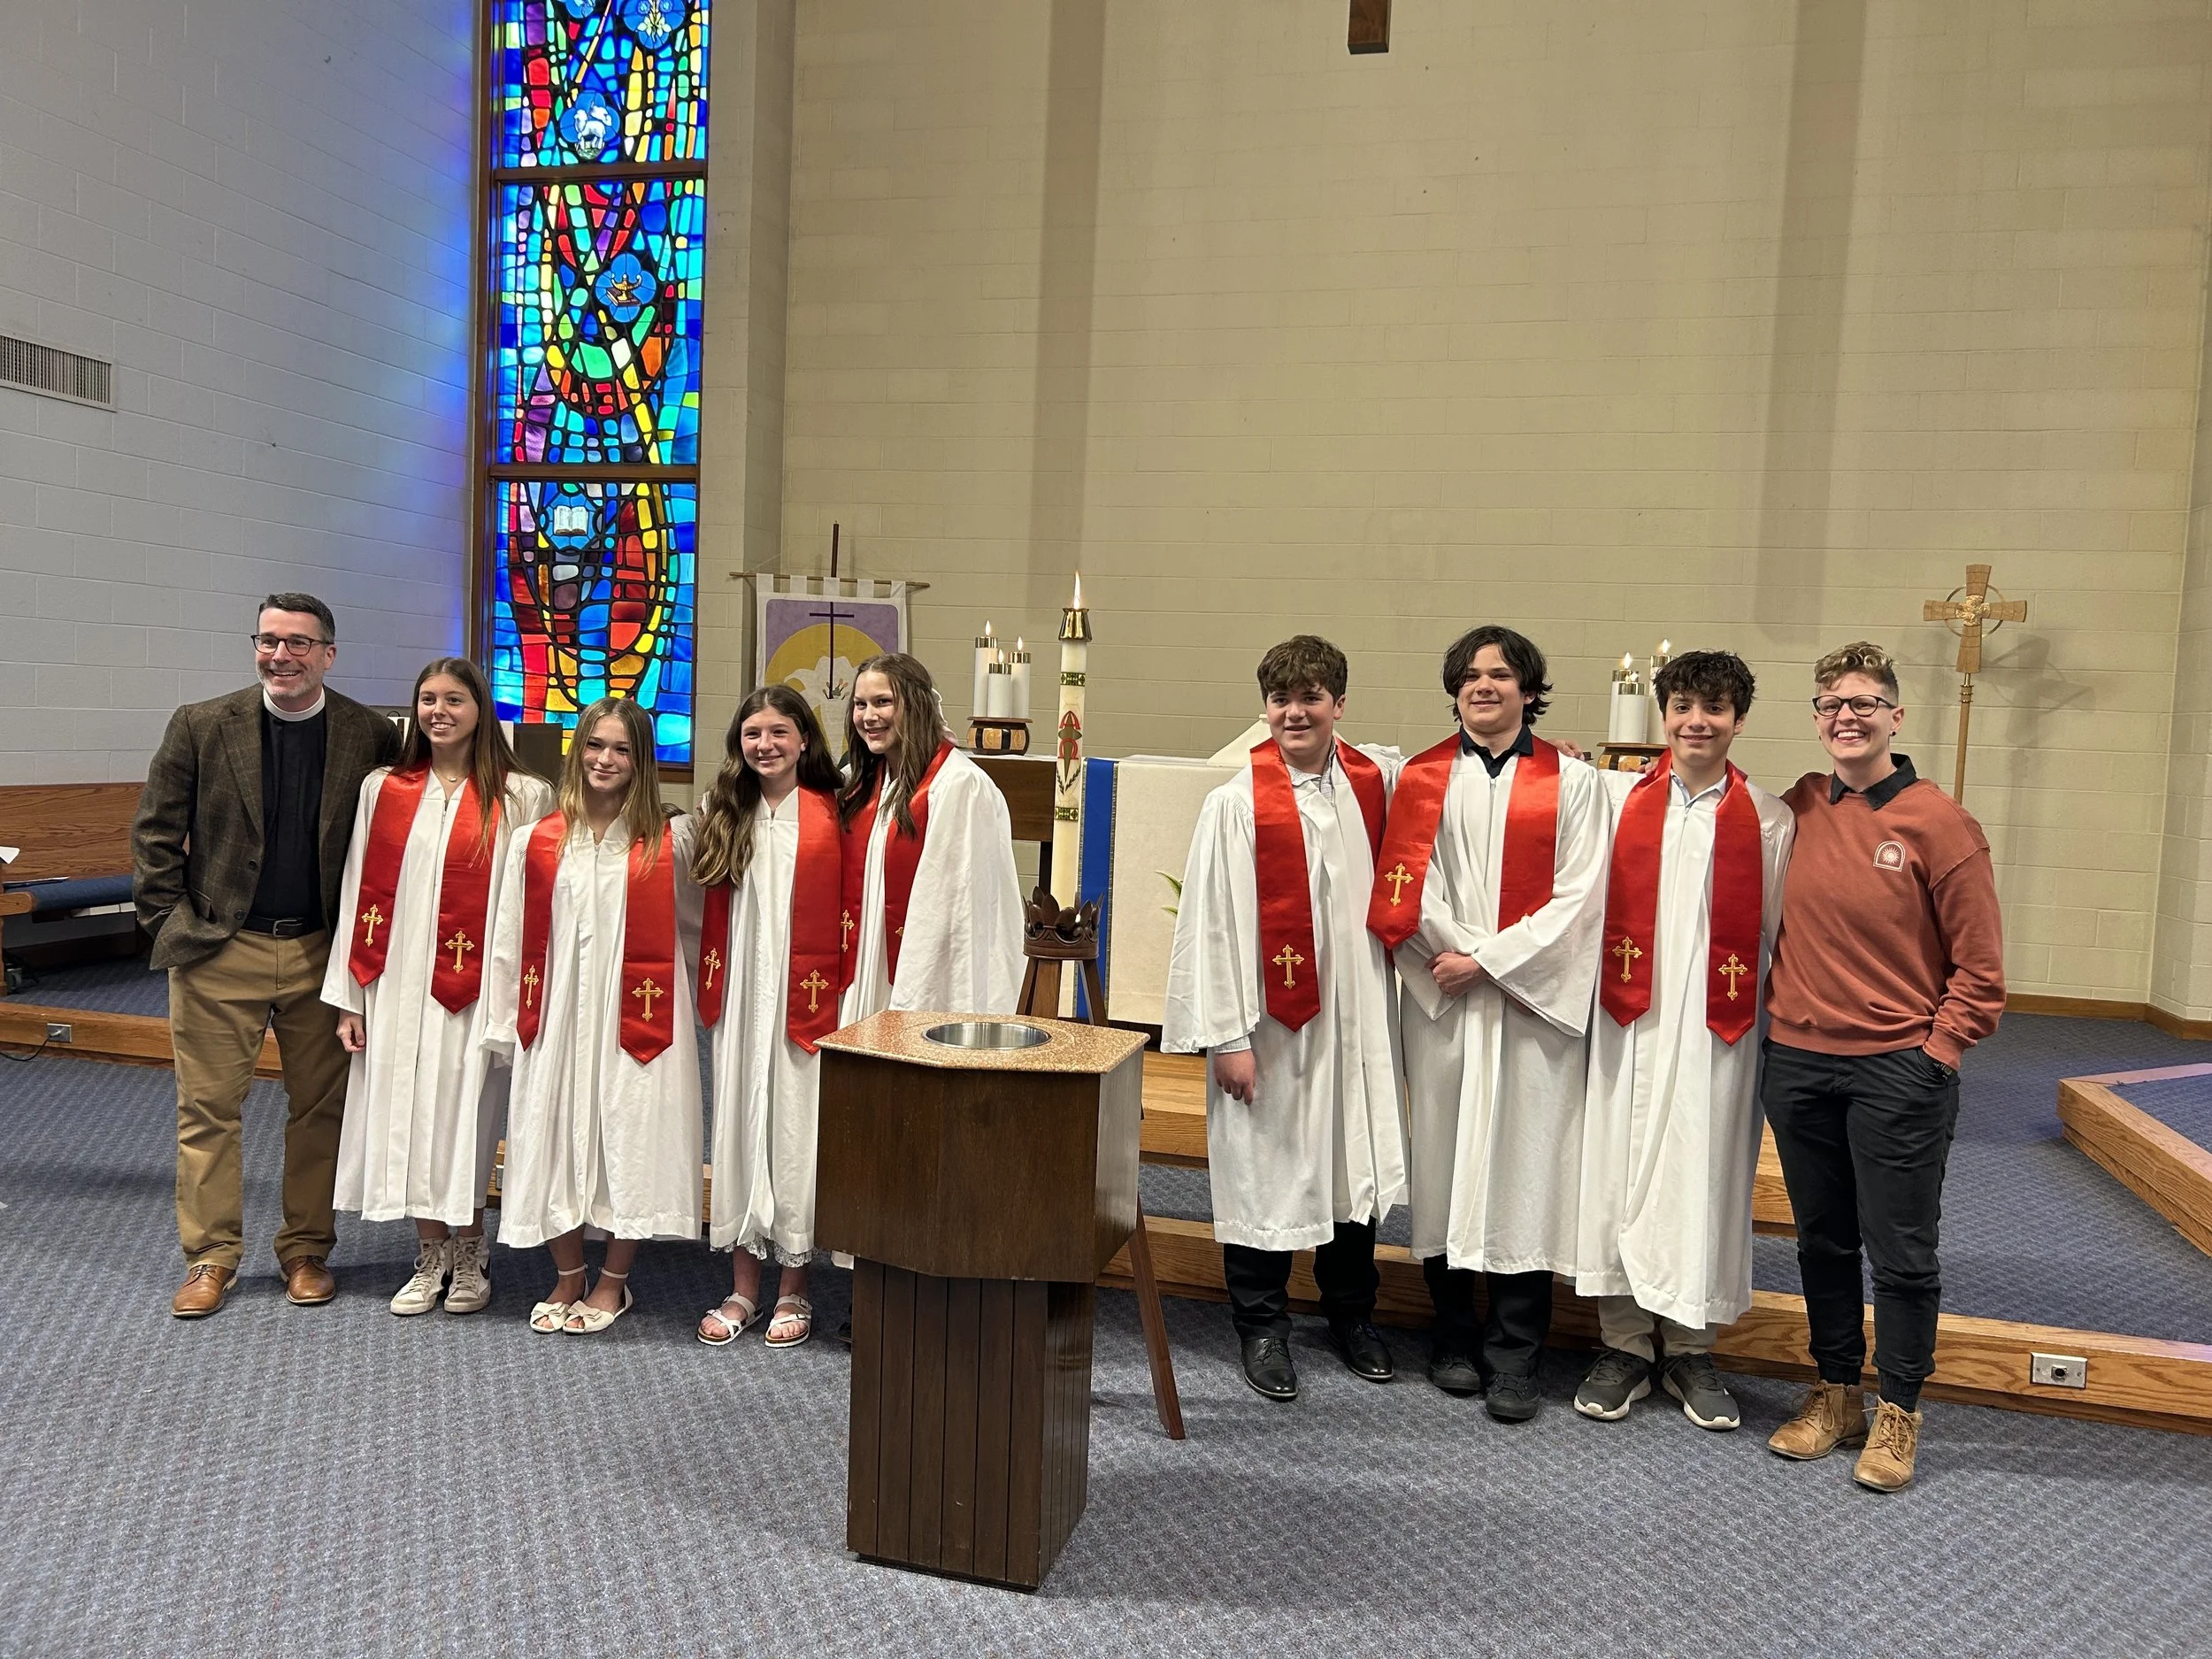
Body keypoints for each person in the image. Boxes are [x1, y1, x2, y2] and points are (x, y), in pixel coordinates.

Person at [1760, 641, 2004, 1492]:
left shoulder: (1940, 824)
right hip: (1796, 1062)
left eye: (1864, 701)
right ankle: (1836, 1392)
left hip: (1895, 1070)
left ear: (1897, 716)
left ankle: (1899, 1407)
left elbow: (1981, 971)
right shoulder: (1798, 806)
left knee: (1900, 1252)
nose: (1846, 716)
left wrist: (1936, 1054)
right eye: (1830, 702)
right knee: (1821, 1240)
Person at [134, 593, 403, 1317]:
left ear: (328, 654)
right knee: (209, 1109)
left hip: (322, 949)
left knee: (320, 1107)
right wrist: (171, 923)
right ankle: (210, 1257)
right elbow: (156, 835)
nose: (280, 655)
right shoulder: (201, 724)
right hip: (221, 948)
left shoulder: (367, 733)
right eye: (268, 640)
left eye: (299, 644)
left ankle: (306, 1249)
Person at [1368, 625, 1607, 1422]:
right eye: (1470, 675)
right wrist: (1454, 958)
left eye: (1500, 675)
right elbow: (1405, 882)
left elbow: (1581, 898)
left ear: (1529, 688)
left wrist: (1492, 961)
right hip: (1446, 1001)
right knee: (1441, 1162)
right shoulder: (1420, 777)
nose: (1483, 686)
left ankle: (1515, 1355)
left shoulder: (1573, 783)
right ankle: (1450, 1334)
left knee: (1522, 1172)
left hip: (1525, 1007)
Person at [1164, 636, 1406, 1402]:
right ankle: (1261, 1323)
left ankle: (1350, 1313)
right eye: (1281, 700)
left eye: (1311, 697)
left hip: (1357, 1019)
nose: (1294, 712)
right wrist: (1228, 1038)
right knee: (1265, 1170)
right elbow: (1208, 927)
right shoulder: (1236, 804)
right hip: (1269, 1025)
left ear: (1339, 704)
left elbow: (1457, 776)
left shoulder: (1373, 784)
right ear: (1266, 708)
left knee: (1347, 1165)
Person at [1572, 650, 1793, 1430]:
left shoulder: (1769, 819)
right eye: (1684, 706)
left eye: (1716, 707)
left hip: (1716, 1030)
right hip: (1625, 1019)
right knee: (1619, 1168)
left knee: (1702, 1171)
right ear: (1663, 713)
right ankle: (1627, 1343)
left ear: (1739, 718)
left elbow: (1779, 932)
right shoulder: (1616, 800)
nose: (1697, 721)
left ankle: (1693, 1343)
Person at [322, 657, 554, 1316]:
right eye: (427, 699)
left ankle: (471, 1252)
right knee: (405, 1113)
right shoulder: (383, 789)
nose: (439, 711)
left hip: (477, 986)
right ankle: (429, 1255)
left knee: (465, 1116)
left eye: (455, 698)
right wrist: (349, 994)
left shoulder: (523, 796)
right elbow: (355, 891)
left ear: (482, 708)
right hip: (394, 981)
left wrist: (520, 999)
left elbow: (533, 906)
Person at [481, 697, 704, 1334]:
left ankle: (614, 1279)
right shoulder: (537, 840)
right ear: (576, 752)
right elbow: (507, 933)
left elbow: (695, 925)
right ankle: (569, 1273)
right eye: (594, 746)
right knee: (549, 1131)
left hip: (638, 1015)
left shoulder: (669, 841)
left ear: (641, 761)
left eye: (622, 749)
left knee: (626, 1138)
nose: (606, 759)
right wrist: (505, 1022)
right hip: (555, 1013)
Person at [691, 687, 845, 1349]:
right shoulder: (725, 810)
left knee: (793, 1131)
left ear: (805, 739)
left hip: (805, 999)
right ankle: (743, 1287)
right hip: (743, 995)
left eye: (779, 731)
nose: (765, 745)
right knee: (737, 1130)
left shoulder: (833, 812)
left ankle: (793, 1287)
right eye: (752, 733)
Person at [836, 653, 1024, 1022]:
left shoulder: (959, 786)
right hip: (863, 960)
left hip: (923, 969)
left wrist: (916, 990)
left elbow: (955, 907)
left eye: (882, 702)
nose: (868, 716)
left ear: (916, 706)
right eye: (860, 705)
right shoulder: (860, 783)